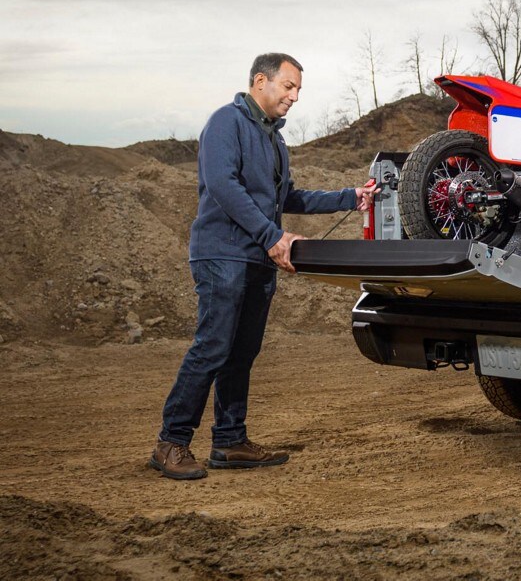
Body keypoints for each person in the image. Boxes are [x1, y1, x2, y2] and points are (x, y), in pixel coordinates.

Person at [149, 53, 377, 480]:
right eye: (288, 87)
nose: (294, 97)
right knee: (213, 347)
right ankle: (171, 443)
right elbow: (223, 186)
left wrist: (350, 197)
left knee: (242, 352)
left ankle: (230, 441)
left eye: (298, 91)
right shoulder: (226, 123)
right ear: (260, 81)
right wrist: (273, 236)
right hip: (222, 254)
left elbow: (287, 198)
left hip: (256, 258)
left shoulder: (274, 140)